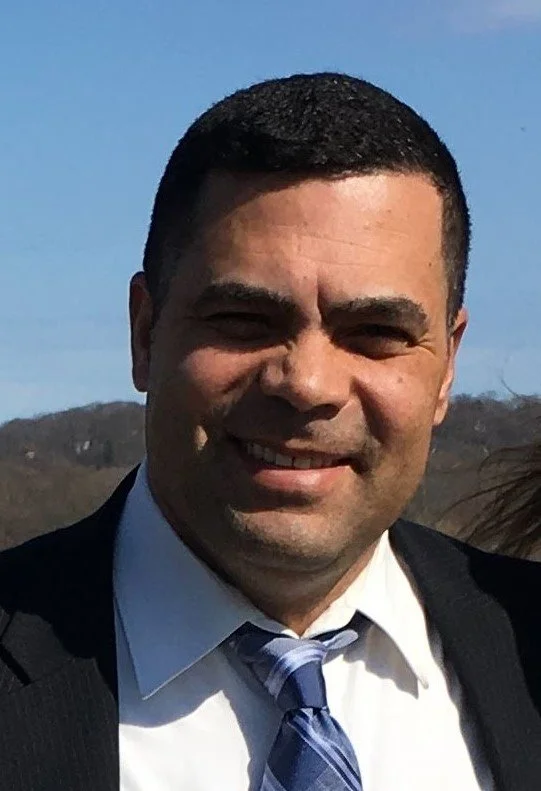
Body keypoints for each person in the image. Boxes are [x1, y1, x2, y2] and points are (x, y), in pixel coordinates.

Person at [0, 72, 540, 791]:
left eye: (375, 332)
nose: (307, 384)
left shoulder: (525, 645)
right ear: (145, 332)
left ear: (446, 365)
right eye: (245, 320)